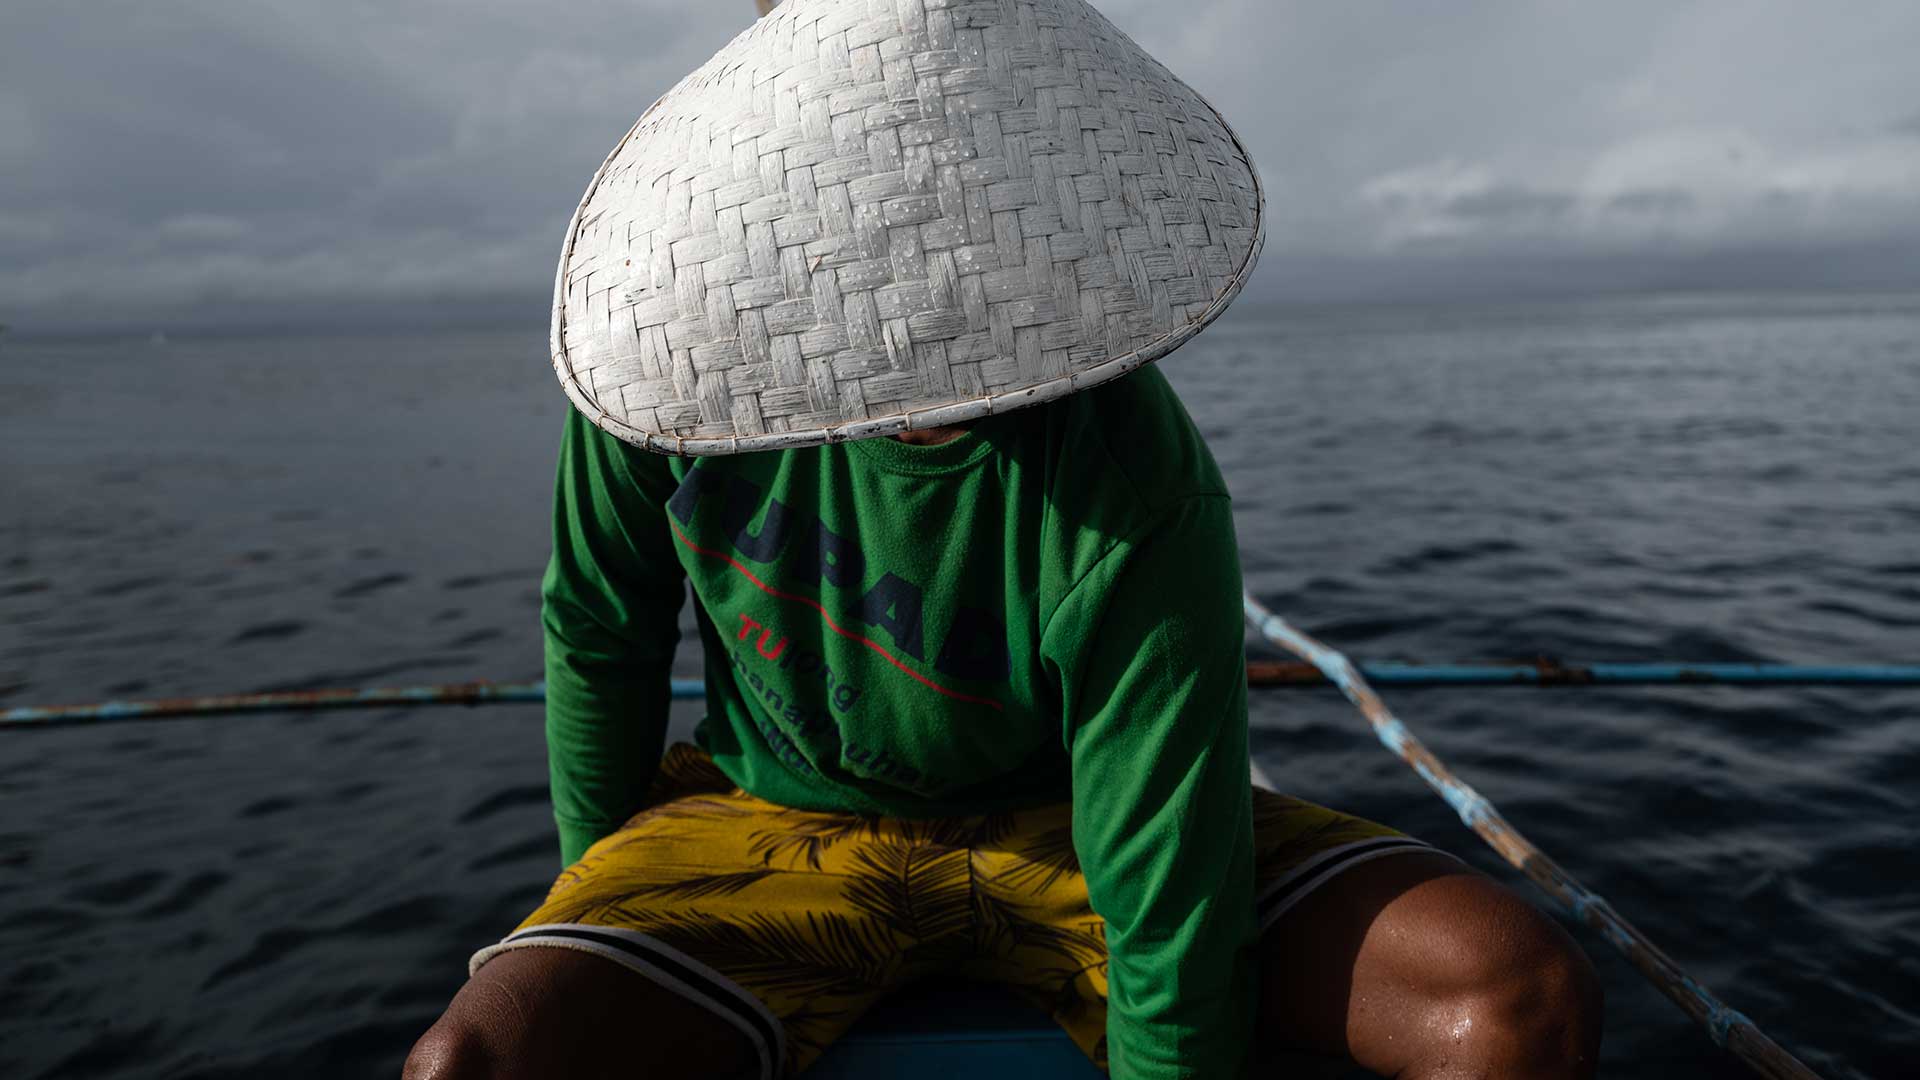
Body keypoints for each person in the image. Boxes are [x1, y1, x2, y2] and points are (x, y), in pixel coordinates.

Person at [406, 1, 1601, 1076]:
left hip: (1067, 820)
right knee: (476, 1058)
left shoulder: (1132, 477)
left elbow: (1163, 877)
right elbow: (601, 631)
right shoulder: (676, 380)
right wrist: (594, 893)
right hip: (768, 819)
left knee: (1509, 994)